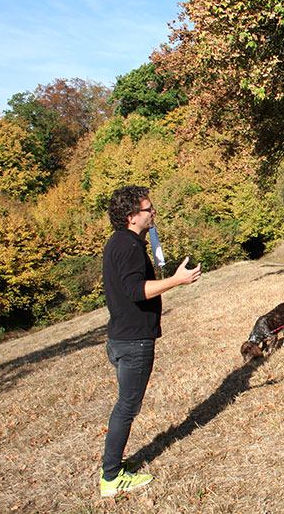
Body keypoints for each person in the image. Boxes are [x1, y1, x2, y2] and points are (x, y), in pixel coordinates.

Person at [99, 186, 201, 497]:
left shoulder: (121, 242)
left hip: (121, 338)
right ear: (131, 217)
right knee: (127, 407)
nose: (153, 212)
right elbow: (134, 290)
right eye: (148, 209)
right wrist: (176, 281)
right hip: (133, 342)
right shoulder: (129, 246)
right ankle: (111, 477)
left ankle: (113, 469)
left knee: (127, 405)